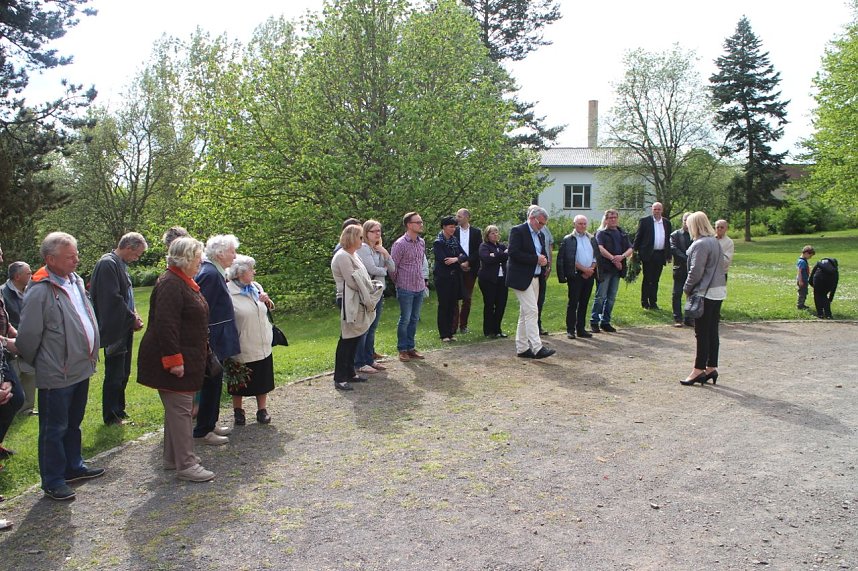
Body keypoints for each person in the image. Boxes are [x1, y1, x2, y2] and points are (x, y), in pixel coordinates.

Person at [17, 232, 105, 501]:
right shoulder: (40, 290)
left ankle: (73, 466)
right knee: (53, 429)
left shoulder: (74, 280)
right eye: (70, 256)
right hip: (57, 372)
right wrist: (44, 364)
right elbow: (28, 337)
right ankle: (53, 480)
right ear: (50, 259)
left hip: (79, 368)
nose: (77, 260)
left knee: (73, 423)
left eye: (76, 254)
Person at [137, 237, 215, 482]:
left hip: (187, 356)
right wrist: (174, 361)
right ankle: (186, 464)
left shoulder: (181, 280)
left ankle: (173, 458)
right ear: (185, 259)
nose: (200, 262)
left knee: (176, 411)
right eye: (197, 258)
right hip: (174, 360)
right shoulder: (171, 283)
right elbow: (166, 325)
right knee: (181, 411)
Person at [90, 232, 148, 425]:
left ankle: (119, 409)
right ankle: (111, 415)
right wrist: (131, 318)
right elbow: (113, 298)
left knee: (123, 371)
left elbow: (128, 295)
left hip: (124, 326)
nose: (136, 258)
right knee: (114, 373)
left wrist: (135, 314)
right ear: (129, 247)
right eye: (137, 254)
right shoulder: (108, 264)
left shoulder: (119, 264)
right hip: (114, 328)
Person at [193, 234, 241, 445]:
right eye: (232, 251)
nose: (235, 255)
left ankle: (210, 423)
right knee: (210, 382)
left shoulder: (215, 272)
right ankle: (204, 429)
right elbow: (204, 309)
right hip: (213, 339)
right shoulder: (210, 274)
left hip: (218, 337)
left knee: (215, 382)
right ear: (220, 254)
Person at [225, 255, 276, 424]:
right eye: (250, 269)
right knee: (239, 381)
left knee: (263, 378)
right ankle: (238, 411)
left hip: (261, 341)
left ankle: (262, 410)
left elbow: (266, 309)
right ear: (239, 273)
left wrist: (267, 301)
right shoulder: (228, 291)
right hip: (241, 344)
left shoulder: (255, 286)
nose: (254, 272)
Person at [331, 225, 383, 391]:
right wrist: (369, 287)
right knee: (347, 338)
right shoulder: (342, 256)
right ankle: (339, 377)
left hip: (358, 299)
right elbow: (353, 281)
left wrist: (370, 286)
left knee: (356, 337)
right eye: (360, 237)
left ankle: (350, 373)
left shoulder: (354, 255)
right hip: (348, 300)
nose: (362, 240)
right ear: (352, 237)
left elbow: (363, 277)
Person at [679, 212, 727, 386]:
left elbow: (695, 271)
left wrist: (686, 288)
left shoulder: (700, 244)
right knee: (712, 331)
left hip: (704, 291)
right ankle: (711, 366)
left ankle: (698, 369)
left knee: (702, 332)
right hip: (718, 290)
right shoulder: (715, 241)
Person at [506, 206, 555, 359]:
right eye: (540, 223)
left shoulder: (540, 234)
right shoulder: (518, 231)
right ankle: (537, 347)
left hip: (536, 277)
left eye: (544, 224)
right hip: (520, 277)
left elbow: (542, 252)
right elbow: (513, 253)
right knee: (532, 311)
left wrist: (544, 261)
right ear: (532, 218)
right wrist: (536, 259)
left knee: (525, 313)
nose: (542, 226)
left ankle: (522, 347)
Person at [355, 219, 395, 374]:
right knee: (364, 328)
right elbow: (371, 269)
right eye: (374, 231)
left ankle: (369, 359)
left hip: (378, 293)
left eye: (379, 230)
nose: (378, 233)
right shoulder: (364, 248)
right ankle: (360, 361)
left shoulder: (379, 248)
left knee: (372, 328)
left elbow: (392, 267)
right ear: (366, 233)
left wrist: (385, 253)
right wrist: (383, 269)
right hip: (369, 293)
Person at [390, 212, 428, 362]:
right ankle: (402, 349)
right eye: (418, 222)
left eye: (421, 222)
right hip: (405, 287)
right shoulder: (400, 244)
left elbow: (420, 264)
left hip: (419, 286)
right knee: (404, 319)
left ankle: (411, 347)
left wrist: (423, 281)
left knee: (414, 318)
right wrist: (399, 282)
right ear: (409, 225)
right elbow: (393, 267)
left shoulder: (421, 242)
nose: (421, 225)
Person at [1, 259, 35, 415]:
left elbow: (5, 320)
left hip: (22, 340)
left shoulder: (30, 290)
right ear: (17, 277)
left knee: (30, 375)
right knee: (14, 382)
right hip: (8, 348)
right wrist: (7, 340)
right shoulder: (3, 292)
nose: (32, 275)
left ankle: (26, 409)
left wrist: (20, 335)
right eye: (28, 273)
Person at [591, 209, 633, 333]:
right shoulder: (601, 233)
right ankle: (594, 321)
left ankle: (606, 321)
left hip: (617, 270)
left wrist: (622, 257)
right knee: (600, 296)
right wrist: (614, 259)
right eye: (610, 218)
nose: (613, 219)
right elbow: (600, 248)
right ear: (606, 219)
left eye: (615, 217)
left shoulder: (621, 233)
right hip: (605, 269)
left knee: (611, 297)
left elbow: (630, 248)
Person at [556, 215, 598, 339]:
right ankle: (570, 329)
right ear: (574, 224)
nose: (582, 226)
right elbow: (568, 259)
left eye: (584, 224)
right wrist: (583, 269)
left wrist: (591, 269)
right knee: (573, 302)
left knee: (584, 303)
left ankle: (581, 329)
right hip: (575, 275)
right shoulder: (568, 239)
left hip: (589, 274)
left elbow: (596, 255)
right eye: (580, 223)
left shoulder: (591, 238)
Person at [433, 216, 469, 342]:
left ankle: (450, 332)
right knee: (444, 305)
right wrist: (457, 259)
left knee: (453, 305)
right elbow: (444, 260)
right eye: (451, 227)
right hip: (443, 278)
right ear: (444, 227)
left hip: (455, 277)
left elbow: (464, 255)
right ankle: (444, 334)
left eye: (454, 227)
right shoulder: (438, 242)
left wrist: (456, 259)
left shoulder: (454, 240)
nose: (453, 229)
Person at [633, 202, 672, 310]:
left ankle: (653, 302)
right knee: (647, 278)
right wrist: (634, 252)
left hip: (660, 254)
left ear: (662, 210)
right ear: (652, 210)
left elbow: (668, 240)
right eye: (655, 209)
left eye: (659, 209)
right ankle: (645, 302)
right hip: (648, 254)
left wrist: (668, 255)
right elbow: (638, 237)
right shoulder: (645, 221)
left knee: (656, 280)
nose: (657, 211)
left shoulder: (666, 223)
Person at [453, 208, 481, 335]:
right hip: (456, 267)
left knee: (467, 297)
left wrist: (468, 262)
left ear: (466, 217)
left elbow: (478, 250)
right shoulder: (454, 231)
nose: (457, 218)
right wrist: (460, 262)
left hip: (470, 268)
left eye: (459, 216)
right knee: (454, 297)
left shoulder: (476, 232)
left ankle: (463, 325)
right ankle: (453, 325)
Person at [477, 225, 509, 338]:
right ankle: (488, 330)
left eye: (496, 232)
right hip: (488, 280)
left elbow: (508, 255)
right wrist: (501, 255)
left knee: (501, 304)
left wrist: (495, 255)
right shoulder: (484, 246)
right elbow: (486, 259)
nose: (495, 235)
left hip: (502, 279)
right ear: (487, 235)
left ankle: (497, 329)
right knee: (490, 304)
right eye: (492, 233)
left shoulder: (501, 246)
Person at [531, 205, 554, 336]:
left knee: (540, 300)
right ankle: (531, 331)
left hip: (541, 269)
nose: (541, 225)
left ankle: (538, 326)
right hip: (528, 273)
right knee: (530, 305)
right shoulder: (521, 230)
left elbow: (549, 245)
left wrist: (548, 264)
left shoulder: (544, 230)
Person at [670, 213, 693, 327]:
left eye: (689, 220)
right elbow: (673, 249)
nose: (687, 223)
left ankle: (689, 318)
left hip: (693, 269)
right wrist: (687, 258)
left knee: (691, 294)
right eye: (685, 220)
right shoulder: (675, 234)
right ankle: (677, 318)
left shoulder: (696, 235)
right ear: (682, 221)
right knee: (677, 293)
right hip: (679, 268)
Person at [795, 245, 815, 310]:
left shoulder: (804, 260)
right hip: (802, 280)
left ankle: (802, 304)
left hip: (804, 280)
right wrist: (800, 280)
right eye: (810, 255)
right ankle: (800, 305)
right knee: (802, 293)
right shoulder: (802, 261)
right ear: (806, 253)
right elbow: (799, 271)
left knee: (804, 292)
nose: (810, 257)